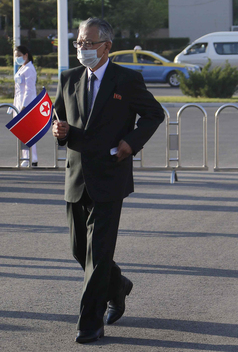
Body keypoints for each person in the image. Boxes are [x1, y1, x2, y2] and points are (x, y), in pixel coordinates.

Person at [52, 18, 164, 343]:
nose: (82, 49)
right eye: (79, 43)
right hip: (76, 177)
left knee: (98, 254)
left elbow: (154, 114)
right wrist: (59, 133)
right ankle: (119, 285)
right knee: (80, 252)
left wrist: (132, 142)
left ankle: (90, 323)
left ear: (106, 46)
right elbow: (61, 120)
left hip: (110, 175)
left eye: (89, 43)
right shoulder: (69, 78)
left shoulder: (126, 80)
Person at [11, 45, 38, 167]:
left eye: (19, 56)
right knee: (21, 132)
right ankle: (27, 158)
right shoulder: (22, 68)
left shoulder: (29, 69)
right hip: (19, 102)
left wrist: (24, 106)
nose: (17, 58)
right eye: (15, 56)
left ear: (26, 55)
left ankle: (29, 159)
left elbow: (29, 90)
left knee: (26, 132)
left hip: (26, 104)